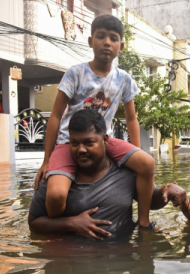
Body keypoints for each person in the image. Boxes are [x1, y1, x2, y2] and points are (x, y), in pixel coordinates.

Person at [34, 14, 156, 229]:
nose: (107, 42)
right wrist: (46, 160)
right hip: (69, 141)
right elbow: (55, 115)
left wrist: (136, 151)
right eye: (101, 36)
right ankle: (62, 226)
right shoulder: (75, 73)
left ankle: (144, 222)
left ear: (121, 46)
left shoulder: (124, 79)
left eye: (113, 38)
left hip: (103, 141)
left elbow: (131, 118)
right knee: (55, 194)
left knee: (147, 163)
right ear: (91, 42)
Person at [29, 109, 186, 238]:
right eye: (74, 143)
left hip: (122, 260)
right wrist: (71, 223)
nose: (81, 150)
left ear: (105, 140)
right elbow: (34, 224)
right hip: (73, 264)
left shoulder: (127, 171)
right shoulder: (54, 177)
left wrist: (167, 190)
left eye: (89, 143)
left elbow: (151, 201)